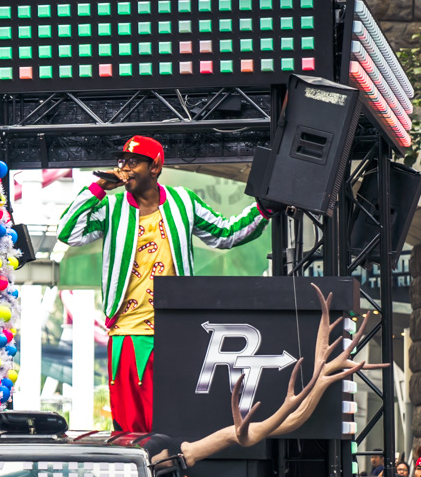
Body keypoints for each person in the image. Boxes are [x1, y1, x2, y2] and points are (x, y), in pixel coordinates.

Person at [57, 135, 276, 432]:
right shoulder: (112, 208)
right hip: (126, 332)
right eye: (122, 161)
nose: (124, 168)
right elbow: (69, 232)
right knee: (129, 426)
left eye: (133, 162)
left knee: (173, 422)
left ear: (155, 166)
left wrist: (262, 209)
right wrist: (97, 189)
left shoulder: (182, 201)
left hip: (174, 329)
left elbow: (224, 234)